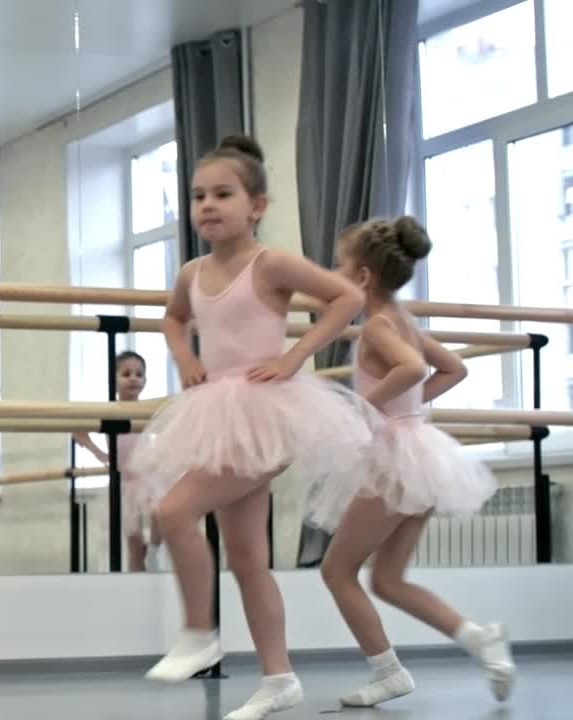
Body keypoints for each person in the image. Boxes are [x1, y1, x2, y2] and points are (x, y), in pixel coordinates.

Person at [127, 135, 371, 720]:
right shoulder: (191, 271)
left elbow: (344, 297)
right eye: (197, 196)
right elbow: (173, 315)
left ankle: (197, 632)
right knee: (246, 559)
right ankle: (279, 677)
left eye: (223, 194)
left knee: (172, 511)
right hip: (219, 412)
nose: (207, 205)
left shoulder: (273, 262)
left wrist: (296, 355)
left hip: (265, 413)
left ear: (256, 206)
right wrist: (183, 356)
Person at [306, 216, 514, 707]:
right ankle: (480, 639)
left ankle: (388, 671)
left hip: (395, 463)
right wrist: (409, 408)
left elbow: (415, 368)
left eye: (339, 266)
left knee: (336, 571)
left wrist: (365, 407)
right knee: (388, 579)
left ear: (361, 278)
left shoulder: (377, 325)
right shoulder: (401, 319)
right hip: (421, 456)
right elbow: (453, 368)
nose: (332, 273)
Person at [73, 350, 161, 572]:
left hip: (148, 478)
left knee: (160, 513)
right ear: (114, 379)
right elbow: (78, 430)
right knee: (132, 542)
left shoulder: (149, 409)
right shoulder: (109, 410)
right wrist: (100, 455)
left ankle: (153, 547)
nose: (133, 378)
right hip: (123, 483)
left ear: (145, 381)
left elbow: (169, 426)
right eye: (126, 373)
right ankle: (136, 576)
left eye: (139, 374)